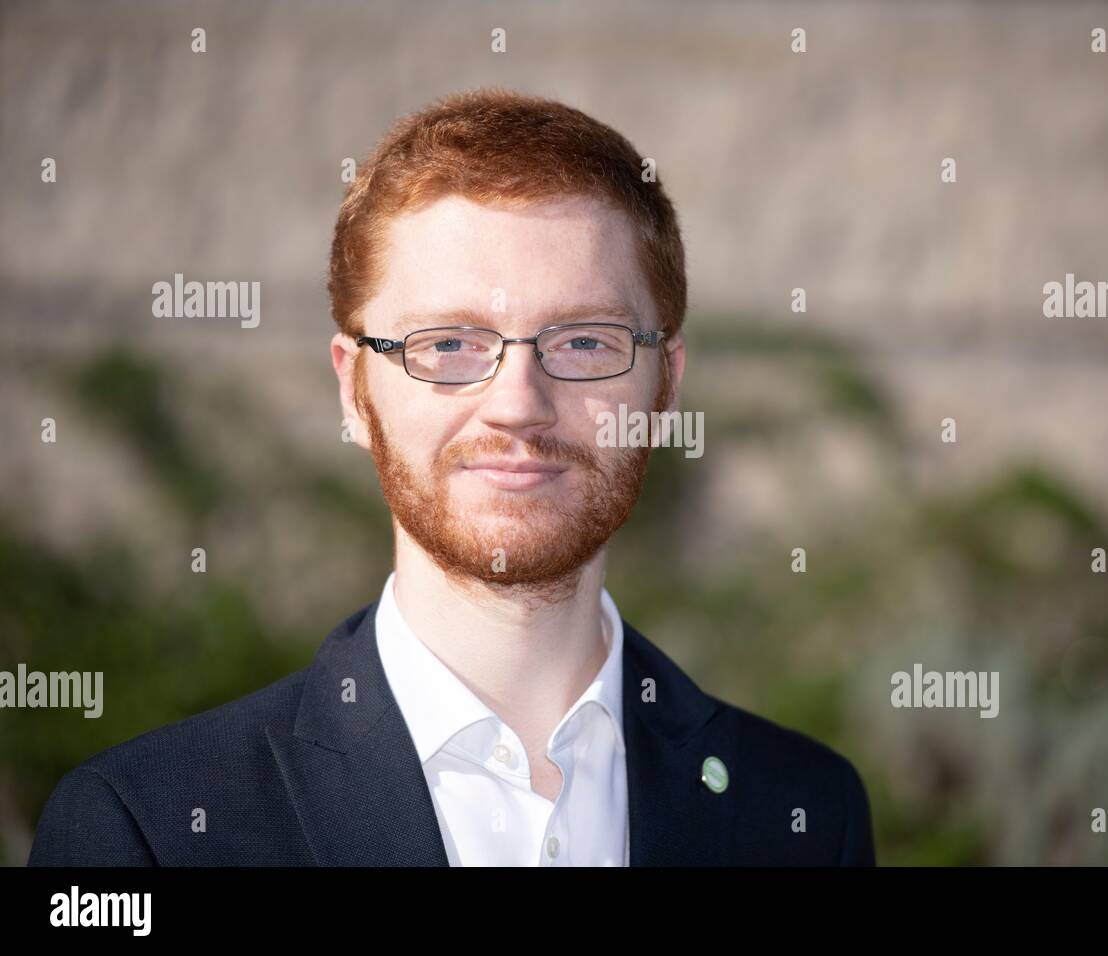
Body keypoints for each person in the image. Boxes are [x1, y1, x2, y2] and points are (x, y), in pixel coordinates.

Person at [28, 88, 875, 866]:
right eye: (447, 345)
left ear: (666, 385)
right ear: (354, 391)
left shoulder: (804, 814)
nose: (516, 404)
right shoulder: (141, 831)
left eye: (583, 341)